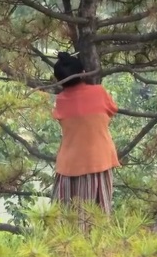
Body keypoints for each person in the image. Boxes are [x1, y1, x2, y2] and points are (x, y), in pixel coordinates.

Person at [50, 51, 120, 215]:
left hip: (69, 166)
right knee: (96, 218)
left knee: (67, 218)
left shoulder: (61, 100)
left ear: (59, 80)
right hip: (98, 161)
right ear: (82, 73)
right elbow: (112, 110)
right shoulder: (99, 92)